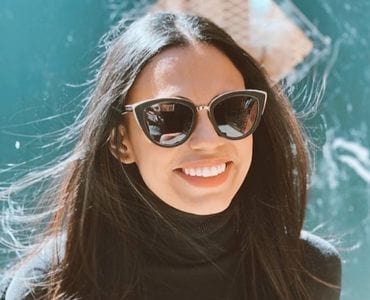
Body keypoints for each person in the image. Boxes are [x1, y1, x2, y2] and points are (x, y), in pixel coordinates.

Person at [0, 11, 341, 300]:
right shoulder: (51, 285)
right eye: (169, 116)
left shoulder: (309, 271)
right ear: (121, 142)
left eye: (232, 111)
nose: (208, 140)